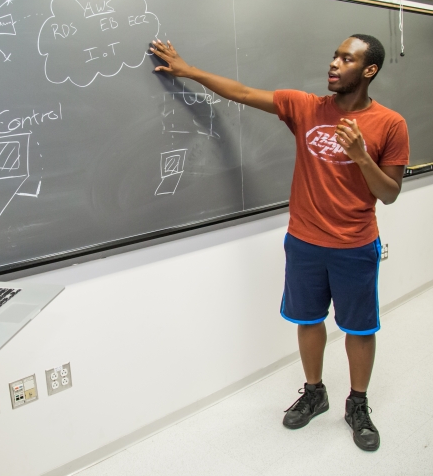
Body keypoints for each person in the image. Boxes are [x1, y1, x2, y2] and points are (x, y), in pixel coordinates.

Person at [150, 34, 408, 451]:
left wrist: (361, 155)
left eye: (347, 59)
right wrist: (189, 70)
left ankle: (358, 404)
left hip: (355, 244)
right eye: (334, 55)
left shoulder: (390, 124)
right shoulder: (306, 107)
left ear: (369, 70)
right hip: (304, 241)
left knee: (359, 328)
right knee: (308, 320)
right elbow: (244, 93)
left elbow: (390, 192)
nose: (334, 64)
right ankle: (314, 392)